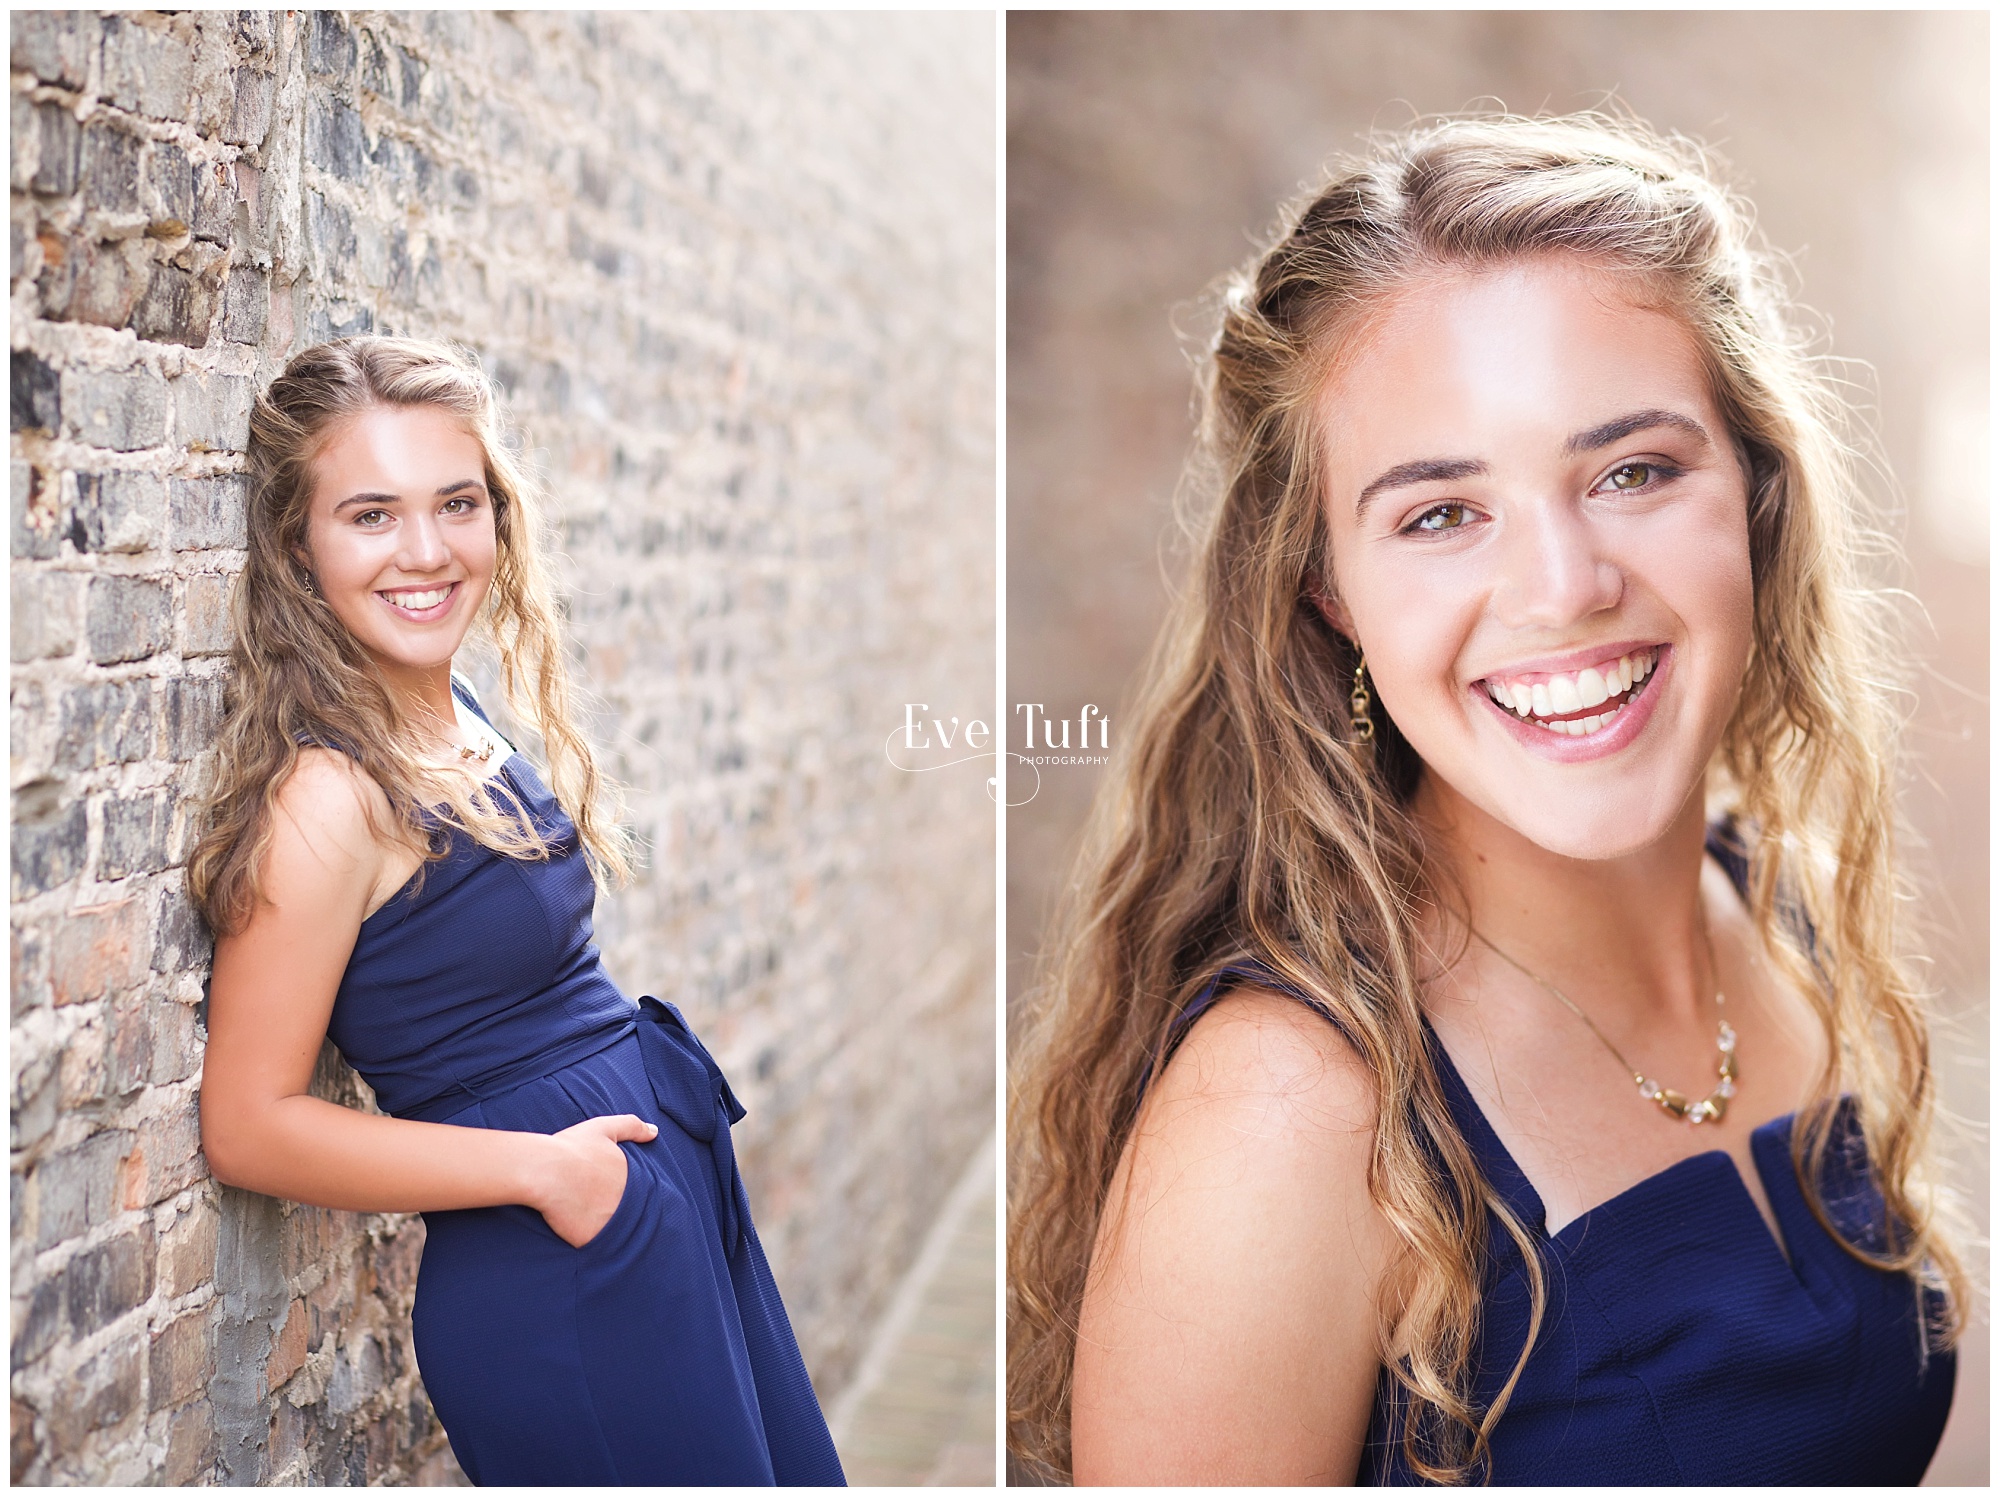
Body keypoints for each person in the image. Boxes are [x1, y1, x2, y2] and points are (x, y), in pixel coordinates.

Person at [1007, 114, 1966, 1485]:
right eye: (1440, 514)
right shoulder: (1287, 1118)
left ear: (1755, 495)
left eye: (1633, 471)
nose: (1563, 587)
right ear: (1327, 593)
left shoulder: (1777, 900)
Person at [191, 337, 846, 1485]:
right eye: (371, 516)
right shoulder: (330, 796)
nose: (427, 551)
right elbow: (248, 1125)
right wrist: (544, 1173)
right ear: (297, 546)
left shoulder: (451, 711)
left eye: (457, 503)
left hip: (651, 1216)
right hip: (561, 1263)